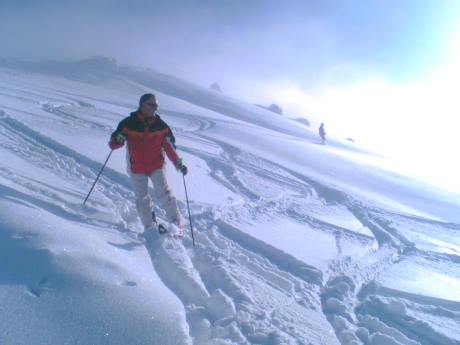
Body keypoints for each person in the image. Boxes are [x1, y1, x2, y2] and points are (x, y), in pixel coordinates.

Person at [109, 93, 188, 234]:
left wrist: (179, 163)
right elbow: (115, 142)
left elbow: (170, 148)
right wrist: (117, 140)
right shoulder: (128, 123)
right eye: (152, 105)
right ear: (142, 105)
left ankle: (177, 225)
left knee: (164, 194)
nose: (155, 108)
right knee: (142, 199)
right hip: (136, 167)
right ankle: (149, 227)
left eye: (156, 105)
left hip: (156, 166)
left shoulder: (162, 127)